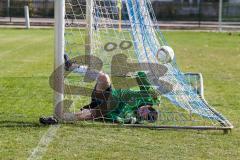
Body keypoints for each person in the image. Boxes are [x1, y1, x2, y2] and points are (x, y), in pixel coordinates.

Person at [40, 54, 160, 125]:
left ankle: (56, 119)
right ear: (149, 107)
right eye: (145, 113)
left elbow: (117, 118)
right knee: (104, 78)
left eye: (144, 117)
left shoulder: (133, 118)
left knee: (86, 115)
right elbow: (142, 77)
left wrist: (122, 118)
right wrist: (155, 95)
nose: (142, 114)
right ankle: (72, 67)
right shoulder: (147, 97)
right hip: (107, 94)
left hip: (105, 109)